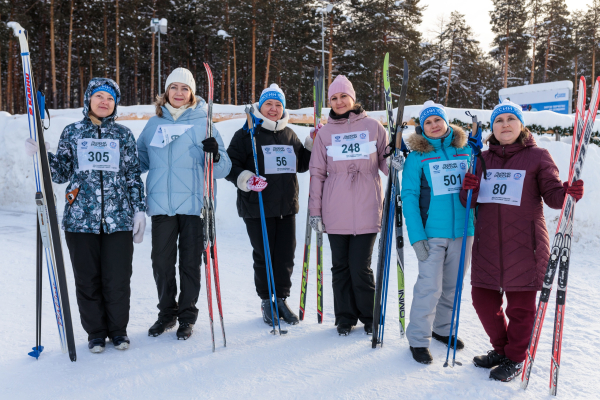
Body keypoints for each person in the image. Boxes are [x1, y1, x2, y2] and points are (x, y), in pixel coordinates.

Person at [460, 99, 584, 381]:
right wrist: (468, 189)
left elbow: (553, 197)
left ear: (521, 125)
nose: (505, 125)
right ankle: (502, 349)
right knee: (482, 301)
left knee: (521, 308)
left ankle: (517, 357)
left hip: (525, 246)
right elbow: (469, 201)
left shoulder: (538, 156)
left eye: (510, 120)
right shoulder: (481, 158)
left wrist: (567, 192)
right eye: (499, 121)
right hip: (488, 244)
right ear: (493, 128)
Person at [24, 78, 146, 353]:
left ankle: (117, 331)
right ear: (89, 99)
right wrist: (42, 154)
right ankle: (95, 333)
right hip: (80, 220)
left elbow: (132, 177)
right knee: (87, 279)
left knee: (117, 279)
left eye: (110, 98)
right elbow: (60, 173)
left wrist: (139, 209)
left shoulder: (123, 135)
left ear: (115, 104)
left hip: (118, 221)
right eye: (99, 96)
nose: (104, 102)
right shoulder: (73, 132)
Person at [137, 68, 231, 340]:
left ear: (192, 93)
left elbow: (224, 168)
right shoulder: (154, 124)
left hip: (194, 205)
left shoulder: (204, 122)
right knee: (161, 262)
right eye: (174, 87)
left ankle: (187, 316)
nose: (179, 93)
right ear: (166, 91)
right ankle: (167, 314)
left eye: (185, 88)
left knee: (190, 263)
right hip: (162, 205)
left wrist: (214, 155)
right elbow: (139, 162)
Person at [308, 75, 391, 336]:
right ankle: (345, 316)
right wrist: (315, 212)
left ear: (353, 98)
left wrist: (397, 163)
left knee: (360, 266)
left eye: (343, 96)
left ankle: (369, 315)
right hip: (335, 209)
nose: (339, 101)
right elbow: (317, 173)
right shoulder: (325, 134)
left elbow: (386, 165)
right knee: (340, 267)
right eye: (334, 98)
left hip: (367, 206)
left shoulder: (373, 127)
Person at [226, 84, 312, 326]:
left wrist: (311, 145)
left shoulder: (289, 134)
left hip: (286, 206)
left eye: (278, 105)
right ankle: (266, 300)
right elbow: (230, 166)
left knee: (285, 255)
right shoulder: (246, 133)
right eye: (269, 104)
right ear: (260, 106)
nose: (273, 109)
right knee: (264, 255)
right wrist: (246, 179)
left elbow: (301, 164)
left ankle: (281, 298)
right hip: (257, 206)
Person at [401, 101, 474, 364]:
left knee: (452, 286)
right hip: (432, 233)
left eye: (437, 120)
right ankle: (419, 339)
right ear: (422, 127)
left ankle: (443, 329)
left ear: (446, 122)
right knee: (429, 287)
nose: (433, 126)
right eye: (428, 122)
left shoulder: (465, 149)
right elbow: (408, 197)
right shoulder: (417, 156)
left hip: (464, 230)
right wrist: (417, 236)